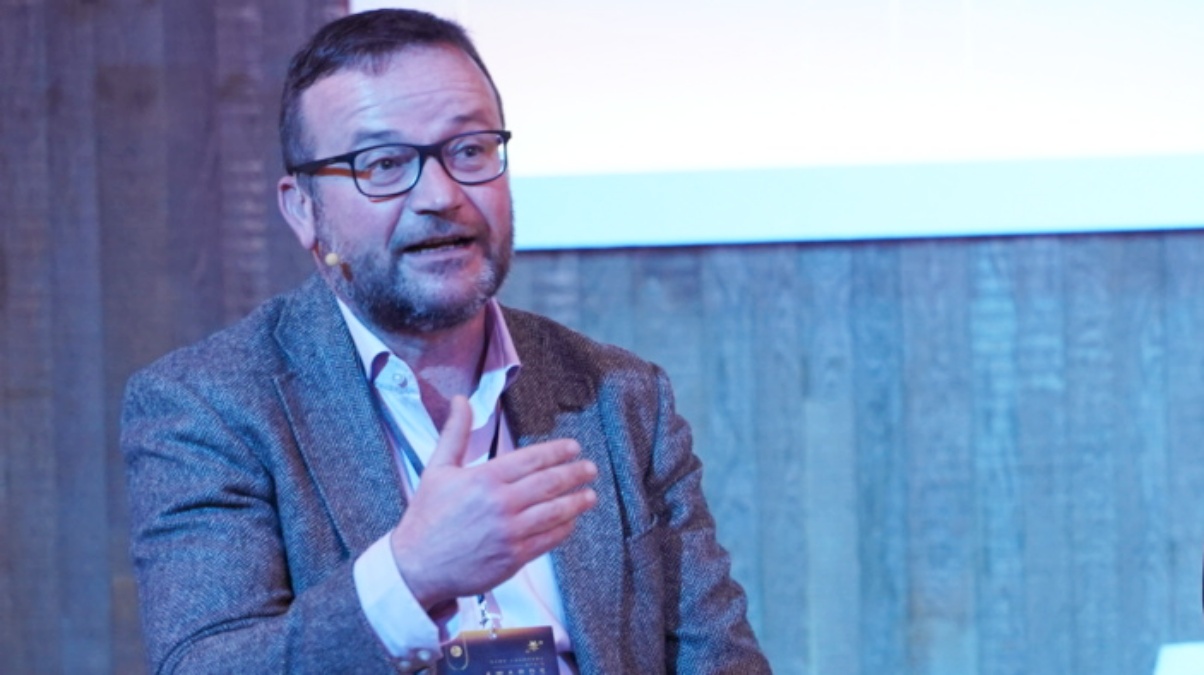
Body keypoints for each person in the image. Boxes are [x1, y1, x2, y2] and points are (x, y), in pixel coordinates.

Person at [121, 8, 769, 674]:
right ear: (303, 210)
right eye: (382, 163)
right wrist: (410, 575)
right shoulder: (209, 406)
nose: (441, 194)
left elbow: (722, 661)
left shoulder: (620, 397)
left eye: (470, 150)